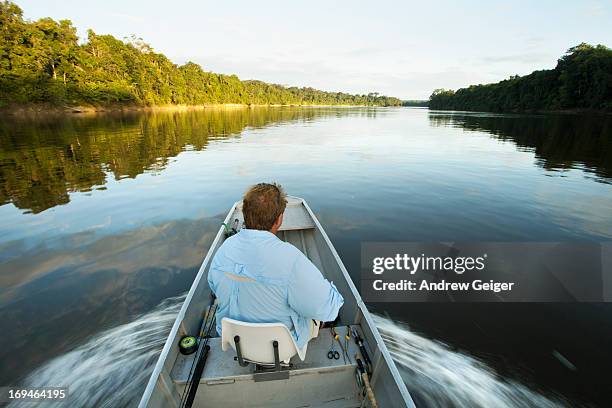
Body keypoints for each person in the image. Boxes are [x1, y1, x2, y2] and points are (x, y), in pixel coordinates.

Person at [208, 182, 344, 350]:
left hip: (236, 342)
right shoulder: (291, 259)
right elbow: (329, 309)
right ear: (279, 219)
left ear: (244, 214)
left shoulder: (223, 250)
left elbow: (214, 287)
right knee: (322, 312)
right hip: (282, 346)